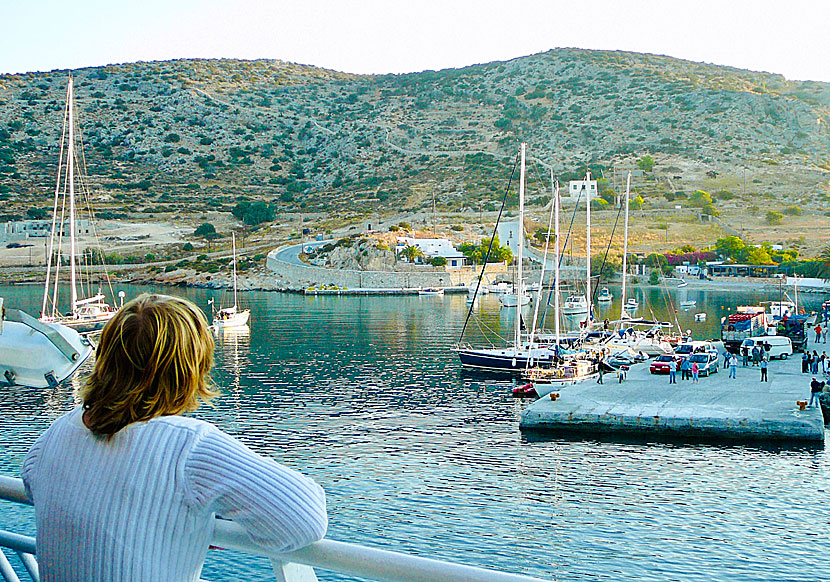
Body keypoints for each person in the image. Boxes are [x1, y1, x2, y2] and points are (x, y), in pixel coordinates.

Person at [21, 294, 328, 582]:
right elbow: (306, 519)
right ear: (188, 369)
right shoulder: (187, 447)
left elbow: (36, 485)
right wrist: (212, 518)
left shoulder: (56, 434)